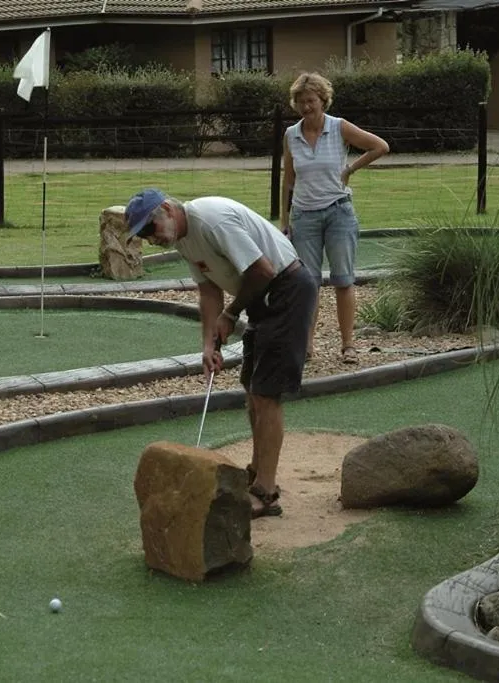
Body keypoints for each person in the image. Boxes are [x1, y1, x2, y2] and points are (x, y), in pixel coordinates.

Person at [125, 189, 317, 518]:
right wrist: (208, 344)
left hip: (286, 290)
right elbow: (208, 290)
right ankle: (256, 470)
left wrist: (230, 315)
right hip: (261, 298)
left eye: (149, 229)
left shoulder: (211, 220)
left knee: (267, 394)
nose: (149, 239)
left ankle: (266, 492)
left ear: (168, 210)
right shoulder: (183, 239)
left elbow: (262, 270)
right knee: (252, 388)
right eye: (142, 234)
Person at [281, 72, 389, 363]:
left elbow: (380, 146)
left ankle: (348, 345)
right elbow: (288, 180)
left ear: (323, 100)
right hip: (304, 215)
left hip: (338, 211)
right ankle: (306, 344)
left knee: (343, 279)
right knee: (308, 283)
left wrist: (351, 168)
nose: (306, 107)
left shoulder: (339, 127)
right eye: (301, 101)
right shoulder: (291, 134)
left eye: (311, 100)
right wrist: (284, 219)